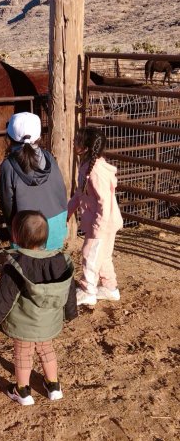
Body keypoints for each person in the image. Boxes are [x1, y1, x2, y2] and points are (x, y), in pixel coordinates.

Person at [0, 211, 77, 405]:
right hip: (49, 322)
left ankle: (23, 391)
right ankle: (53, 385)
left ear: (15, 236)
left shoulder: (16, 265)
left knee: (23, 353)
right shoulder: (60, 261)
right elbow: (69, 290)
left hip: (24, 323)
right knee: (46, 348)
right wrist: (70, 312)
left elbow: (4, 298)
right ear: (46, 236)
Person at [68, 126, 123, 306]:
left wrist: (98, 227)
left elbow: (104, 203)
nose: (73, 142)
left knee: (90, 254)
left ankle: (88, 291)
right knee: (103, 256)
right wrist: (67, 213)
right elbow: (79, 194)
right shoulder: (87, 166)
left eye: (77, 141)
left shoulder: (97, 170)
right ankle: (110, 288)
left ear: (85, 148)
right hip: (103, 221)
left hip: (102, 223)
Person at [0, 112, 68, 250]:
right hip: (56, 226)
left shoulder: (8, 166)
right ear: (39, 137)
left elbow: (7, 203)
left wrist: (12, 228)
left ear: (9, 138)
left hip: (28, 230)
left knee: (28, 266)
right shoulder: (48, 157)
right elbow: (60, 191)